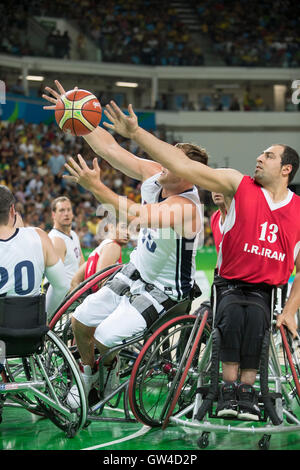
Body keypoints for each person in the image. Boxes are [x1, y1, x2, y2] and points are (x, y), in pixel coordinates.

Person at [96, 99, 300, 421]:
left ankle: (247, 393)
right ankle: (228, 392)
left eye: (269, 156)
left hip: (265, 291)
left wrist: (289, 312)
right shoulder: (240, 185)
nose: (259, 158)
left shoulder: (298, 210)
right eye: (260, 153)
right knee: (231, 321)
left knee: (258, 326)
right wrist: (136, 132)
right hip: (229, 285)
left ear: (286, 168)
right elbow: (186, 167)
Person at [42, 78, 208, 407]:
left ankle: (106, 365)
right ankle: (91, 374)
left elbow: (137, 215)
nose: (163, 162)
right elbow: (110, 149)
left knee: (105, 336)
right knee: (80, 320)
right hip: (135, 271)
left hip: (166, 291)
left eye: (172, 161)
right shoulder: (158, 174)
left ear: (188, 175)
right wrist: (76, 111)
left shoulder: (186, 207)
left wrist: (95, 187)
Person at [0, 185, 69, 317]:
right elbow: (62, 286)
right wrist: (44, 315)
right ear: (12, 210)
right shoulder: (38, 236)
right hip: (32, 330)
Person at [70, 216, 129, 292]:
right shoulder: (113, 246)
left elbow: (74, 282)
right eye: (123, 228)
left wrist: (83, 302)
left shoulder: (98, 250)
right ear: (111, 227)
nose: (127, 232)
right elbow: (101, 281)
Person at [48, 196, 85, 292]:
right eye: (61, 210)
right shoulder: (56, 240)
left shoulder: (74, 235)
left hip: (76, 292)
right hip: (65, 298)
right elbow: (57, 282)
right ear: (53, 215)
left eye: (69, 210)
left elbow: (82, 265)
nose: (66, 214)